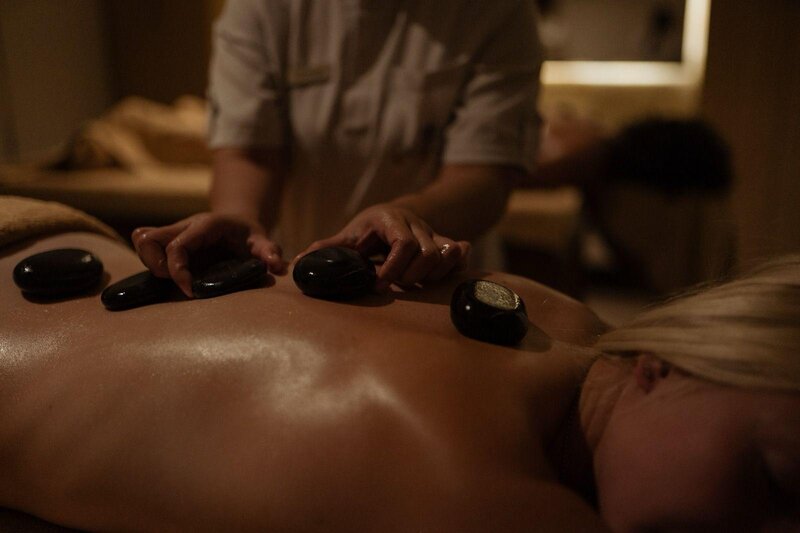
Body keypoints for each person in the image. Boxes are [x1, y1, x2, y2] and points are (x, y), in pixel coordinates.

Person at [1, 200, 799, 531]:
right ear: (666, 365)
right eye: (774, 483)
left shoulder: (564, 321)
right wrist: (274, 263)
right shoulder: (491, 503)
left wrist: (280, 271)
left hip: (46, 242)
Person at [132, 0, 543, 298]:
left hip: (431, 287)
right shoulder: (261, 8)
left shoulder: (498, 11)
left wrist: (407, 219)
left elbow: (484, 176)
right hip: (297, 281)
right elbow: (250, 152)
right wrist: (241, 219)